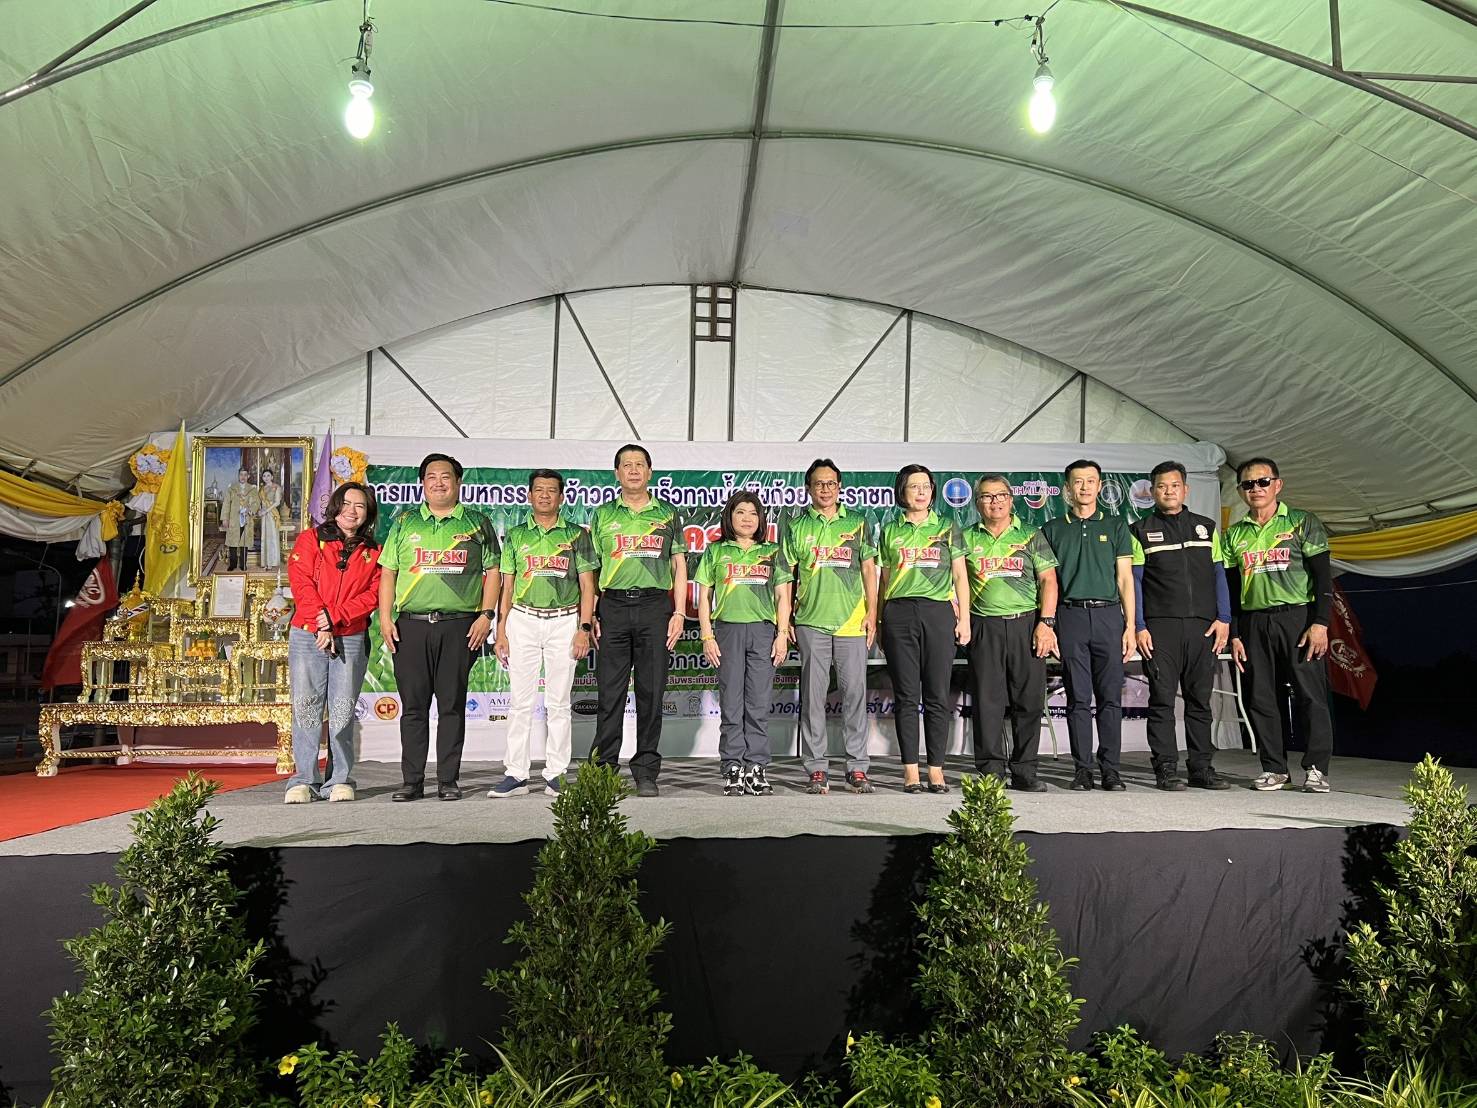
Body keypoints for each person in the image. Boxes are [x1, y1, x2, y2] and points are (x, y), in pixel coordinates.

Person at [377, 454, 500, 801]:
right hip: (411, 627)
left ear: (458, 482)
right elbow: (388, 572)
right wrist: (385, 618)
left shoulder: (477, 523)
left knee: (452, 705)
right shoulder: (405, 522)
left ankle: (448, 780)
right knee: (413, 707)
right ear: (423, 483)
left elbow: (493, 571)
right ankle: (412, 782)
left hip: (460, 627)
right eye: (431, 477)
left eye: (446, 476)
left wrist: (486, 615)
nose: (439, 483)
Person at [1223, 457, 1334, 793]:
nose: (1256, 489)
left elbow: (1323, 577)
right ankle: (1274, 768)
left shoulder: (1302, 521)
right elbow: (1231, 590)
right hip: (1254, 622)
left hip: (1298, 618)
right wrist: (1235, 634)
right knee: (1260, 696)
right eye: (1248, 484)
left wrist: (1320, 623)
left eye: (1263, 482)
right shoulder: (1234, 534)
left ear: (1278, 485)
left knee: (1310, 695)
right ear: (1240, 491)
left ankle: (1316, 768)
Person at [489, 469, 598, 799]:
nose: (545, 495)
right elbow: (507, 587)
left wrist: (584, 628)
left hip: (564, 621)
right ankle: (516, 774)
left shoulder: (577, 536)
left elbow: (588, 587)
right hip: (522, 619)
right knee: (520, 702)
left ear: (562, 497)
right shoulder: (516, 535)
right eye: (539, 490)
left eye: (552, 490)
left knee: (559, 703)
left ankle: (556, 775)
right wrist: (501, 630)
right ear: (529, 495)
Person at [590, 445, 686, 797]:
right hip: (613, 607)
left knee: (651, 692)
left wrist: (679, 612)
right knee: (609, 693)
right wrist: (591, 615)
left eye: (639, 464)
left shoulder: (667, 513)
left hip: (655, 607)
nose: (633, 470)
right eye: (626, 465)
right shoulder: (602, 515)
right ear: (616, 473)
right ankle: (603, 770)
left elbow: (679, 565)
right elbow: (592, 570)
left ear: (649, 471)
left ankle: (646, 771)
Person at [1130, 462, 1233, 791]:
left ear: (1185, 490)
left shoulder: (1206, 527)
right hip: (1160, 628)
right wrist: (1139, 625)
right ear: (1152, 492)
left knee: (1199, 700)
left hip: (1204, 627)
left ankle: (1201, 767)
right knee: (1162, 700)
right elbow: (1134, 582)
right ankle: (1165, 767)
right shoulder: (1139, 530)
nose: (1169, 491)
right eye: (1162, 486)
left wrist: (1224, 619)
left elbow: (1219, 574)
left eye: (1175, 485)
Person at [782, 459, 879, 794]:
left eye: (831, 483)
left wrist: (872, 614)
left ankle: (857, 768)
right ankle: (816, 768)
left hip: (852, 622)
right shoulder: (796, 526)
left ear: (840, 487)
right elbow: (786, 576)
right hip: (810, 622)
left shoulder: (857, 523)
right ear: (808, 488)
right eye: (818, 483)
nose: (825, 489)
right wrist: (787, 619)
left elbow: (869, 570)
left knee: (854, 696)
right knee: (813, 698)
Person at [1039, 460, 1136, 792]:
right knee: (1078, 698)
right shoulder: (1052, 528)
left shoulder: (1116, 525)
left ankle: (1111, 770)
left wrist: (1130, 626)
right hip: (1071, 617)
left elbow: (1125, 579)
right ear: (1067, 488)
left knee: (1110, 698)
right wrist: (1049, 624)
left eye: (1090, 481)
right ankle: (1083, 769)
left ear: (1099, 486)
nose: (1084, 487)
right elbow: (1047, 583)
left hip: (1108, 617)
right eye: (1078, 482)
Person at [284, 482, 382, 803]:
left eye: (360, 506)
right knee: (307, 706)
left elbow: (373, 595)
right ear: (335, 507)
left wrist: (333, 618)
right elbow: (301, 582)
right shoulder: (310, 539)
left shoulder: (374, 552)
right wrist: (319, 623)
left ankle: (339, 779)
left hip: (350, 635)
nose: (352, 511)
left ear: (368, 514)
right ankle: (304, 779)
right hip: (306, 634)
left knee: (342, 709)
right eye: (347, 504)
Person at [962, 475, 1059, 792]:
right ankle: (990, 771)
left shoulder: (1031, 534)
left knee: (1028, 702)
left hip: (1026, 625)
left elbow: (1048, 580)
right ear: (977, 503)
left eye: (1001, 495)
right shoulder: (965, 538)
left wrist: (1046, 623)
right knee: (987, 703)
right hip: (984, 626)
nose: (995, 502)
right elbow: (954, 584)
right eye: (987, 496)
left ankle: (1025, 770)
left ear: (1011, 499)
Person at [877, 465, 969, 794]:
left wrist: (965, 618)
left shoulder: (947, 527)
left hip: (938, 613)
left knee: (937, 695)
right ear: (902, 492)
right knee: (905, 696)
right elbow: (884, 580)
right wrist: (879, 621)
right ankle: (910, 771)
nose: (920, 492)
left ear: (932, 492)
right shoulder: (890, 530)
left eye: (926, 486)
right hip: (899, 613)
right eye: (913, 486)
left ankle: (936, 770)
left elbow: (960, 576)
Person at [695, 491, 792, 796]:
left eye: (753, 513)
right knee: (732, 704)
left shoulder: (773, 552)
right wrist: (707, 636)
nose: (747, 519)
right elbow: (704, 598)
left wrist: (782, 634)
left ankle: (756, 767)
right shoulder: (716, 551)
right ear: (730, 516)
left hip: (763, 632)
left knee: (758, 704)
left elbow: (783, 597)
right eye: (740, 512)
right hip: (728, 632)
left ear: (761, 519)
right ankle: (733, 767)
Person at [223, 467, 258, 571]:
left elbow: (256, 502)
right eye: (241, 474)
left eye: (245, 475)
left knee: (244, 541)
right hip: (234, 518)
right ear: (238, 476)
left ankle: (243, 564)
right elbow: (226, 504)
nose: (243, 477)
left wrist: (250, 510)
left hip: (246, 519)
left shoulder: (252, 489)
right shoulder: (232, 488)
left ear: (248, 476)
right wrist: (225, 518)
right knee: (232, 542)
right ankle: (232, 564)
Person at [259, 467, 283, 570]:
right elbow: (261, 503)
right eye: (264, 476)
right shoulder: (262, 489)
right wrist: (260, 510)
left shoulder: (276, 487)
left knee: (272, 537)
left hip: (272, 514)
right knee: (264, 537)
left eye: (268, 475)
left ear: (272, 477)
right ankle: (265, 562)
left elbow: (277, 502)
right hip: (264, 515)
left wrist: (266, 511)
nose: (266, 477)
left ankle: (271, 562)